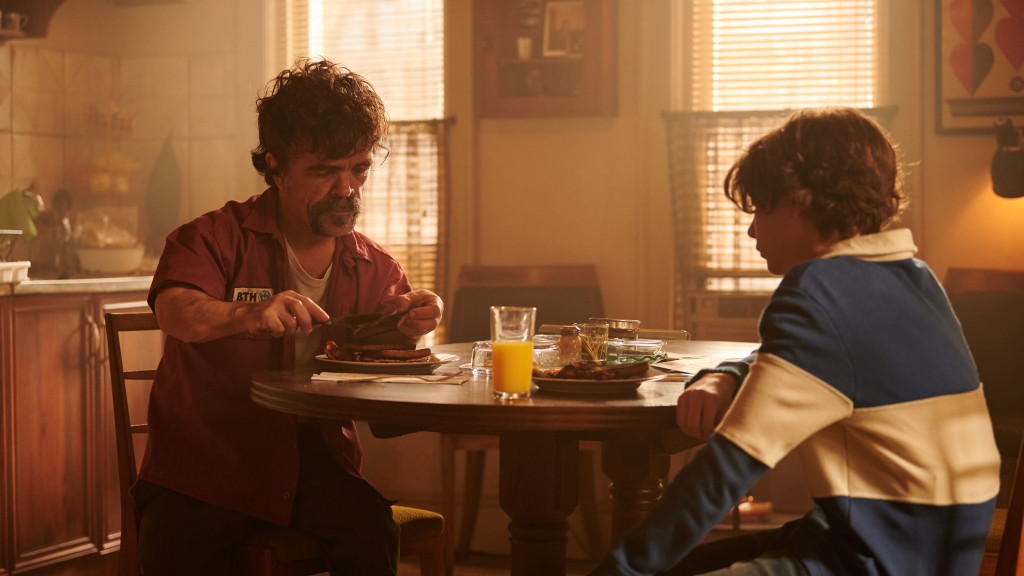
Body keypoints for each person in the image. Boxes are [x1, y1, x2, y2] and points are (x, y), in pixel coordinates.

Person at [591, 107, 1001, 576]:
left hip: (883, 557)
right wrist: (729, 374)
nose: (751, 229)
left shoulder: (819, 291)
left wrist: (620, 570)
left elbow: (725, 470)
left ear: (798, 200)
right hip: (929, 544)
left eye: (761, 208)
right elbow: (818, 356)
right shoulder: (911, 277)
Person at [134, 58, 443, 576]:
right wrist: (249, 314)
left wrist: (412, 332)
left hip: (315, 467)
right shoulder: (211, 237)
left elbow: (388, 410)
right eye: (324, 171)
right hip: (202, 465)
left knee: (371, 530)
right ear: (275, 167)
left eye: (359, 169)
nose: (347, 188)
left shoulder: (378, 268)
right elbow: (175, 312)